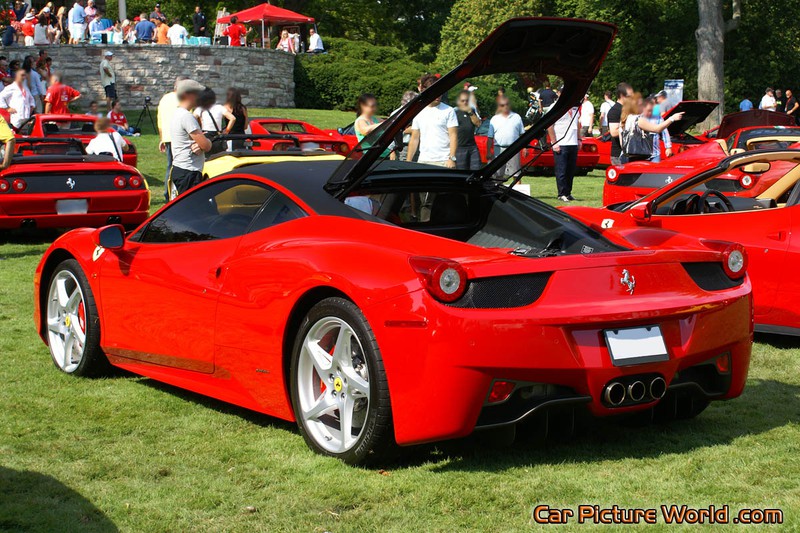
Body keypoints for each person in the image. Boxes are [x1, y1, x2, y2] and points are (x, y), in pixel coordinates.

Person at [169, 79, 211, 198]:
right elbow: (206, 146)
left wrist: (201, 143)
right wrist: (207, 141)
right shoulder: (187, 117)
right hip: (189, 172)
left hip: (181, 169)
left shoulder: (178, 113)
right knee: (194, 212)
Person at [406, 74, 457, 167]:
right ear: (426, 92)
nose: (438, 95)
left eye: (440, 92)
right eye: (435, 92)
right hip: (423, 161)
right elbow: (414, 138)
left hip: (444, 161)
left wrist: (452, 158)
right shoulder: (418, 111)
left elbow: (453, 136)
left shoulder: (449, 110)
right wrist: (408, 161)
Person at [620, 92, 683, 163]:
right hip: (640, 156)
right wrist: (672, 118)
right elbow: (657, 129)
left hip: (629, 155)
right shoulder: (638, 119)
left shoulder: (626, 119)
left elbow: (622, 142)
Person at [158, 76, 185, 198]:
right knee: (180, 165)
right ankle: (176, 192)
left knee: (170, 165)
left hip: (167, 136)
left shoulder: (165, 98)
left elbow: (160, 120)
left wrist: (162, 138)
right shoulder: (183, 99)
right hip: (179, 136)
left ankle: (167, 192)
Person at [547, 105, 580, 202]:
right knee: (561, 170)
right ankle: (561, 193)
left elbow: (577, 123)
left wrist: (579, 139)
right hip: (561, 143)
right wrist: (554, 142)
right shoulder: (556, 107)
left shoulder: (575, 108)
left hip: (573, 142)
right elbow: (550, 126)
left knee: (570, 170)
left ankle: (568, 193)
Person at [486, 96, 525, 178]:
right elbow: (490, 137)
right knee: (498, 174)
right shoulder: (494, 119)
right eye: (502, 105)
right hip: (498, 149)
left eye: (507, 104)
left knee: (516, 174)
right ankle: (498, 190)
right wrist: (488, 151)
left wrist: (525, 148)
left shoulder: (516, 117)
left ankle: (517, 189)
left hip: (514, 149)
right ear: (499, 106)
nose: (505, 107)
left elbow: (522, 134)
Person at [454, 89, 481, 170]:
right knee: (462, 172)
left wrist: (470, 112)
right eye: (463, 101)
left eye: (467, 101)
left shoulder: (472, 111)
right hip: (460, 147)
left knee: (476, 170)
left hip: (472, 146)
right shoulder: (454, 112)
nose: (465, 103)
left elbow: (478, 124)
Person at [607, 82, 633, 165]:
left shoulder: (628, 109)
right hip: (618, 155)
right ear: (622, 95)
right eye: (629, 96)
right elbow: (614, 132)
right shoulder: (615, 111)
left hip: (630, 152)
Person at [643, 97, 672, 163]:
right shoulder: (640, 117)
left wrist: (668, 147)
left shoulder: (658, 118)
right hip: (641, 153)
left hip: (655, 153)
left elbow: (665, 132)